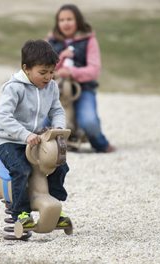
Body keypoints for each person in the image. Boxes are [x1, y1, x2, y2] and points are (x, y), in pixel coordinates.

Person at [0, 39, 70, 228]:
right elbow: (3, 117)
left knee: (59, 165)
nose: (48, 77)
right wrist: (24, 134)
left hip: (35, 140)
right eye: (42, 72)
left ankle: (54, 205)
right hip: (8, 139)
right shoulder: (14, 88)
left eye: (51, 72)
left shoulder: (51, 87)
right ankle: (21, 212)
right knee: (22, 169)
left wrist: (57, 129)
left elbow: (57, 110)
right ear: (26, 68)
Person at [47, 4, 115, 153]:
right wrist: (60, 60)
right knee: (42, 122)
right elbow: (44, 69)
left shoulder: (89, 40)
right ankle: (48, 149)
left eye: (69, 19)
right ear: (57, 23)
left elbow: (94, 70)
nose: (65, 23)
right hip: (56, 90)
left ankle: (100, 144)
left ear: (77, 20)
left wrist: (71, 72)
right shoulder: (51, 41)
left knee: (89, 122)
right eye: (62, 20)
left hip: (83, 89)